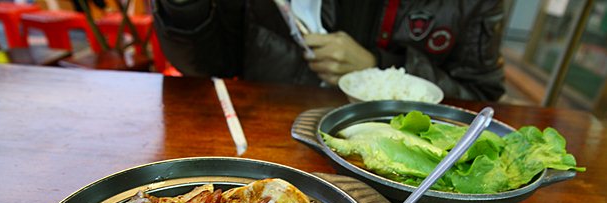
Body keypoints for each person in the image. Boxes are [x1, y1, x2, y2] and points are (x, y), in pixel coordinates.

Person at [152, 0, 505, 101]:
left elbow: (479, 96)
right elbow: (207, 64)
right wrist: (183, 7)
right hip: (274, 142)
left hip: (409, 173)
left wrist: (377, 68)